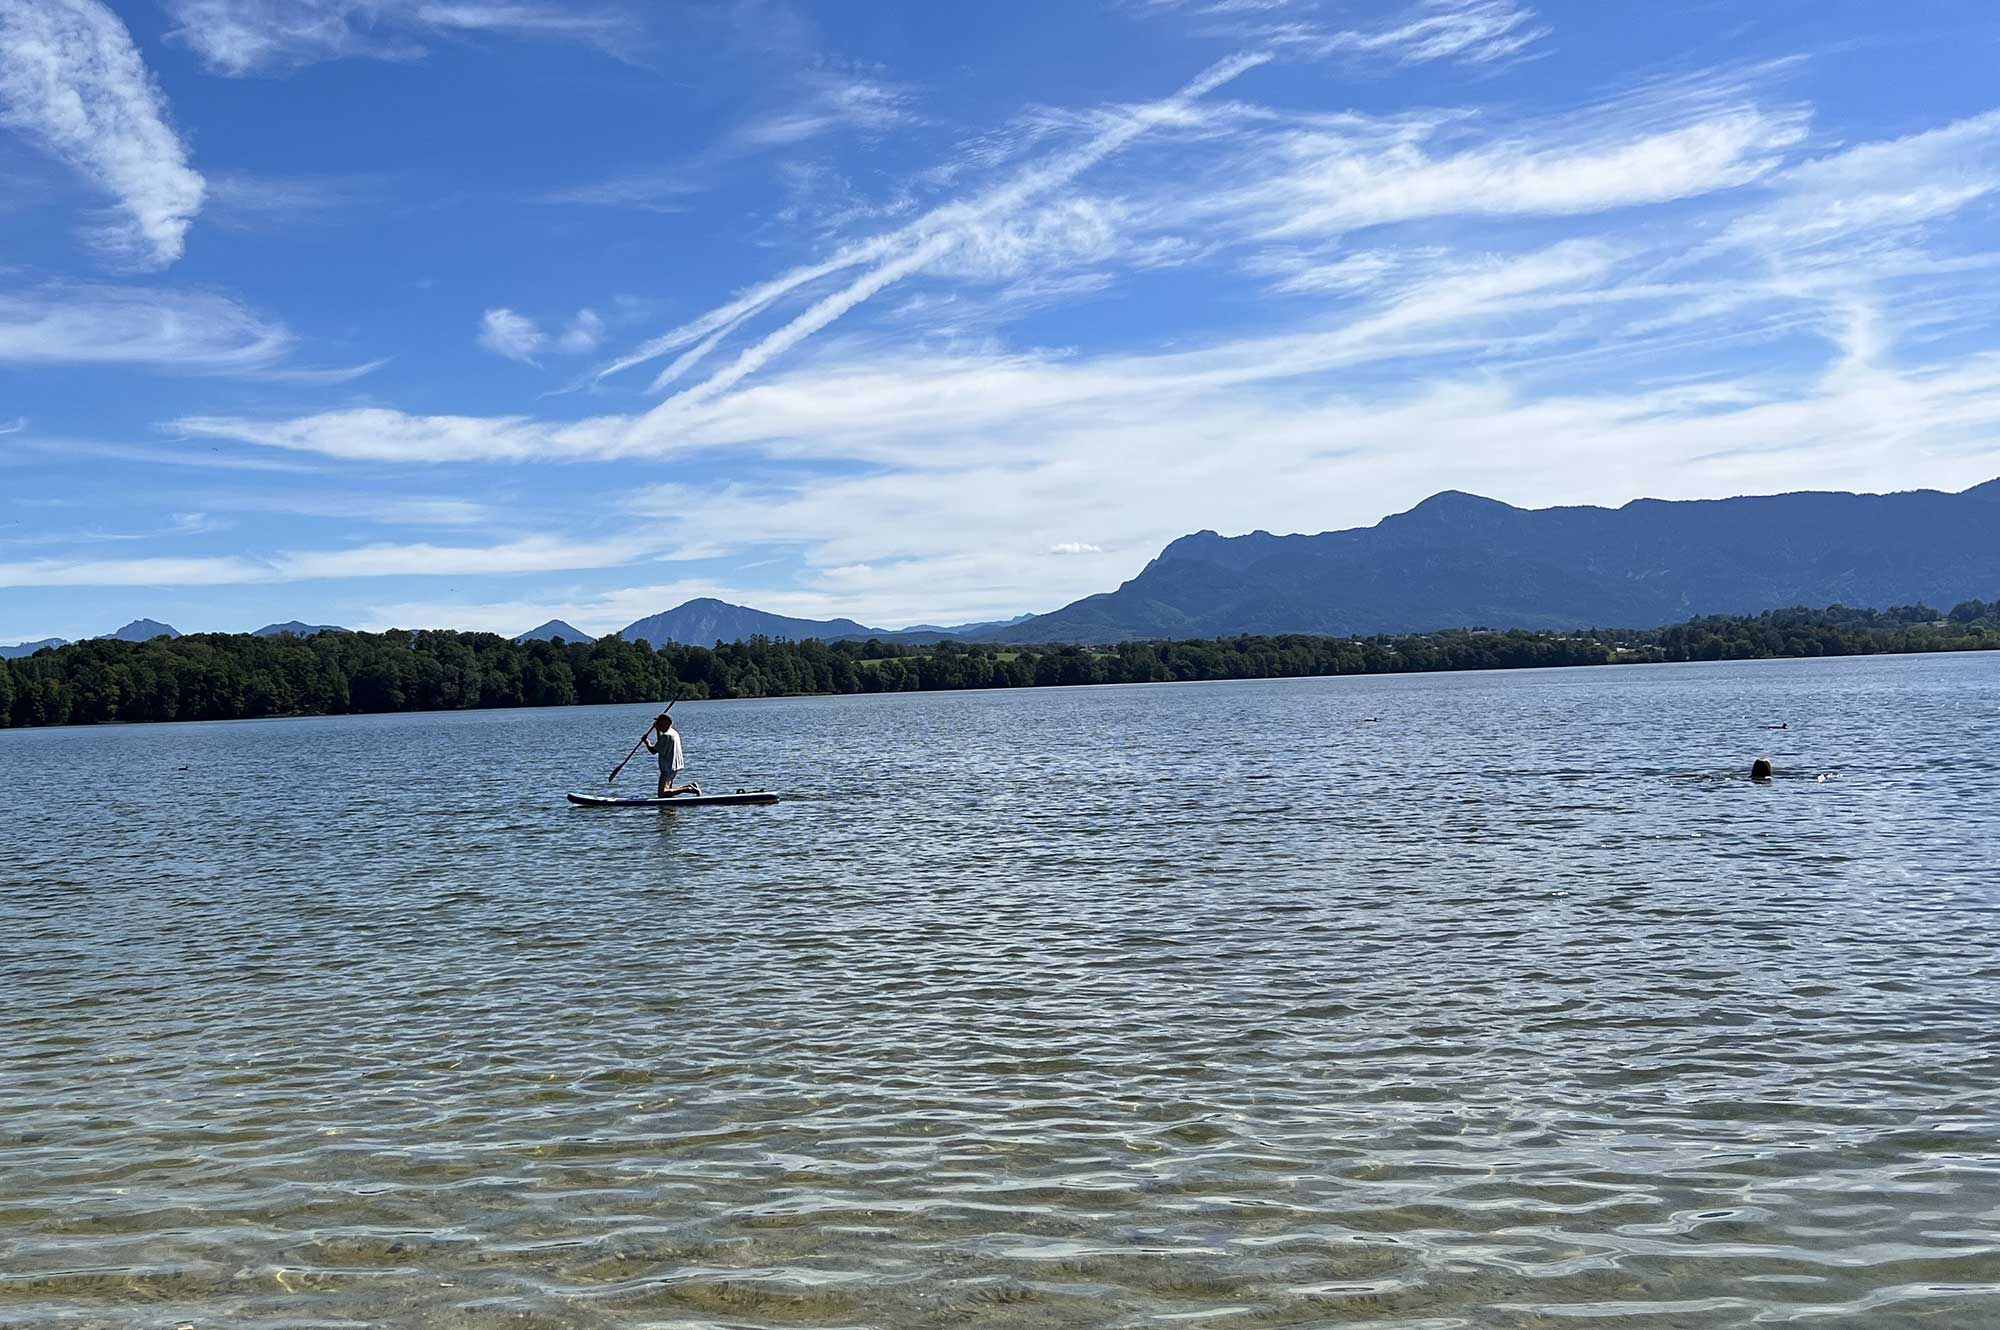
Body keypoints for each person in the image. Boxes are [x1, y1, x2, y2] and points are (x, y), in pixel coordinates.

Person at [643, 712, 700, 797]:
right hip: (674, 766)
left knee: (662, 794)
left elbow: (653, 751)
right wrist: (657, 731)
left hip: (667, 768)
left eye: (660, 724)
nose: (657, 725)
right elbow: (661, 744)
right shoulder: (673, 732)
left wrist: (646, 742)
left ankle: (688, 789)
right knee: (667, 792)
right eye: (658, 724)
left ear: (667, 724)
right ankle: (691, 787)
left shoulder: (666, 736)